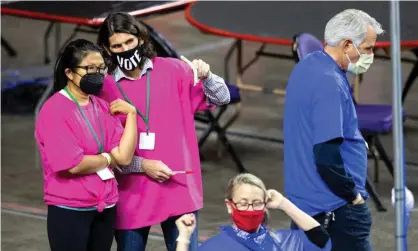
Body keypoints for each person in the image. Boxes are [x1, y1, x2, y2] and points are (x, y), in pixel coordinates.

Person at [96, 12, 230, 251]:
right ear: (107, 49)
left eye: (129, 42)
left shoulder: (174, 70)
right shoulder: (105, 89)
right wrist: (143, 165)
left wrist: (208, 76)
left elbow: (222, 97)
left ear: (140, 39)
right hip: (132, 194)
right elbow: (106, 151)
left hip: (177, 188)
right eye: (117, 46)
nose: (125, 49)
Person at [283, 9, 384, 251]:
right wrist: (353, 197)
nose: (370, 55)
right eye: (368, 48)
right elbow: (326, 156)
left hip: (305, 205)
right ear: (348, 44)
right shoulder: (329, 82)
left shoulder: (306, 67)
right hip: (334, 209)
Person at [35, 39, 138, 251]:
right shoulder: (55, 110)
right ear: (70, 73)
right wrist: (109, 158)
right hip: (70, 209)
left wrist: (132, 115)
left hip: (105, 206)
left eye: (101, 68)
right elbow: (72, 164)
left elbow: (125, 157)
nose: (98, 74)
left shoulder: (100, 106)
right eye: (90, 69)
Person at [174, 173, 331, 251]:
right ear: (230, 205)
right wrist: (183, 238)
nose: (250, 210)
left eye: (256, 203)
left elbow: (321, 239)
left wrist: (284, 204)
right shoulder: (215, 247)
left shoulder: (280, 241)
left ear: (265, 205)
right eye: (243, 204)